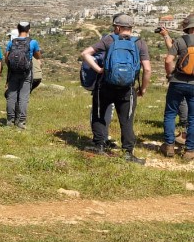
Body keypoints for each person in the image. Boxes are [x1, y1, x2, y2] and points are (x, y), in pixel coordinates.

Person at [81, 13, 152, 164]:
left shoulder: (109, 39)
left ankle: (99, 146)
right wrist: (143, 88)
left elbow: (85, 53)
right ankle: (127, 153)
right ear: (131, 28)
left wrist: (99, 70)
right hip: (127, 88)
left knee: (99, 114)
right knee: (126, 120)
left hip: (105, 85)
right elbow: (147, 69)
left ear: (118, 27)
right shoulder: (140, 43)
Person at [158, 14, 194, 159]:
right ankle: (190, 151)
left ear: (188, 28)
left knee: (170, 114)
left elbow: (168, 60)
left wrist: (169, 75)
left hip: (177, 82)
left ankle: (169, 147)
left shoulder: (180, 41)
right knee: (193, 118)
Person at [4, 22, 42, 129]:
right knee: (23, 97)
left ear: (18, 29)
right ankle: (21, 122)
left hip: (13, 73)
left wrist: (12, 66)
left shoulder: (11, 43)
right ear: (29, 30)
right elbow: (38, 55)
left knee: (11, 96)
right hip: (26, 73)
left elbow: (6, 58)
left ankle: (10, 121)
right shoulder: (33, 42)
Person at [157, 25, 189, 144]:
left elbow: (171, 55)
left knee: (171, 112)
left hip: (179, 80)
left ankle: (169, 144)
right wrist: (166, 36)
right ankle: (190, 145)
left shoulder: (183, 41)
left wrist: (170, 75)